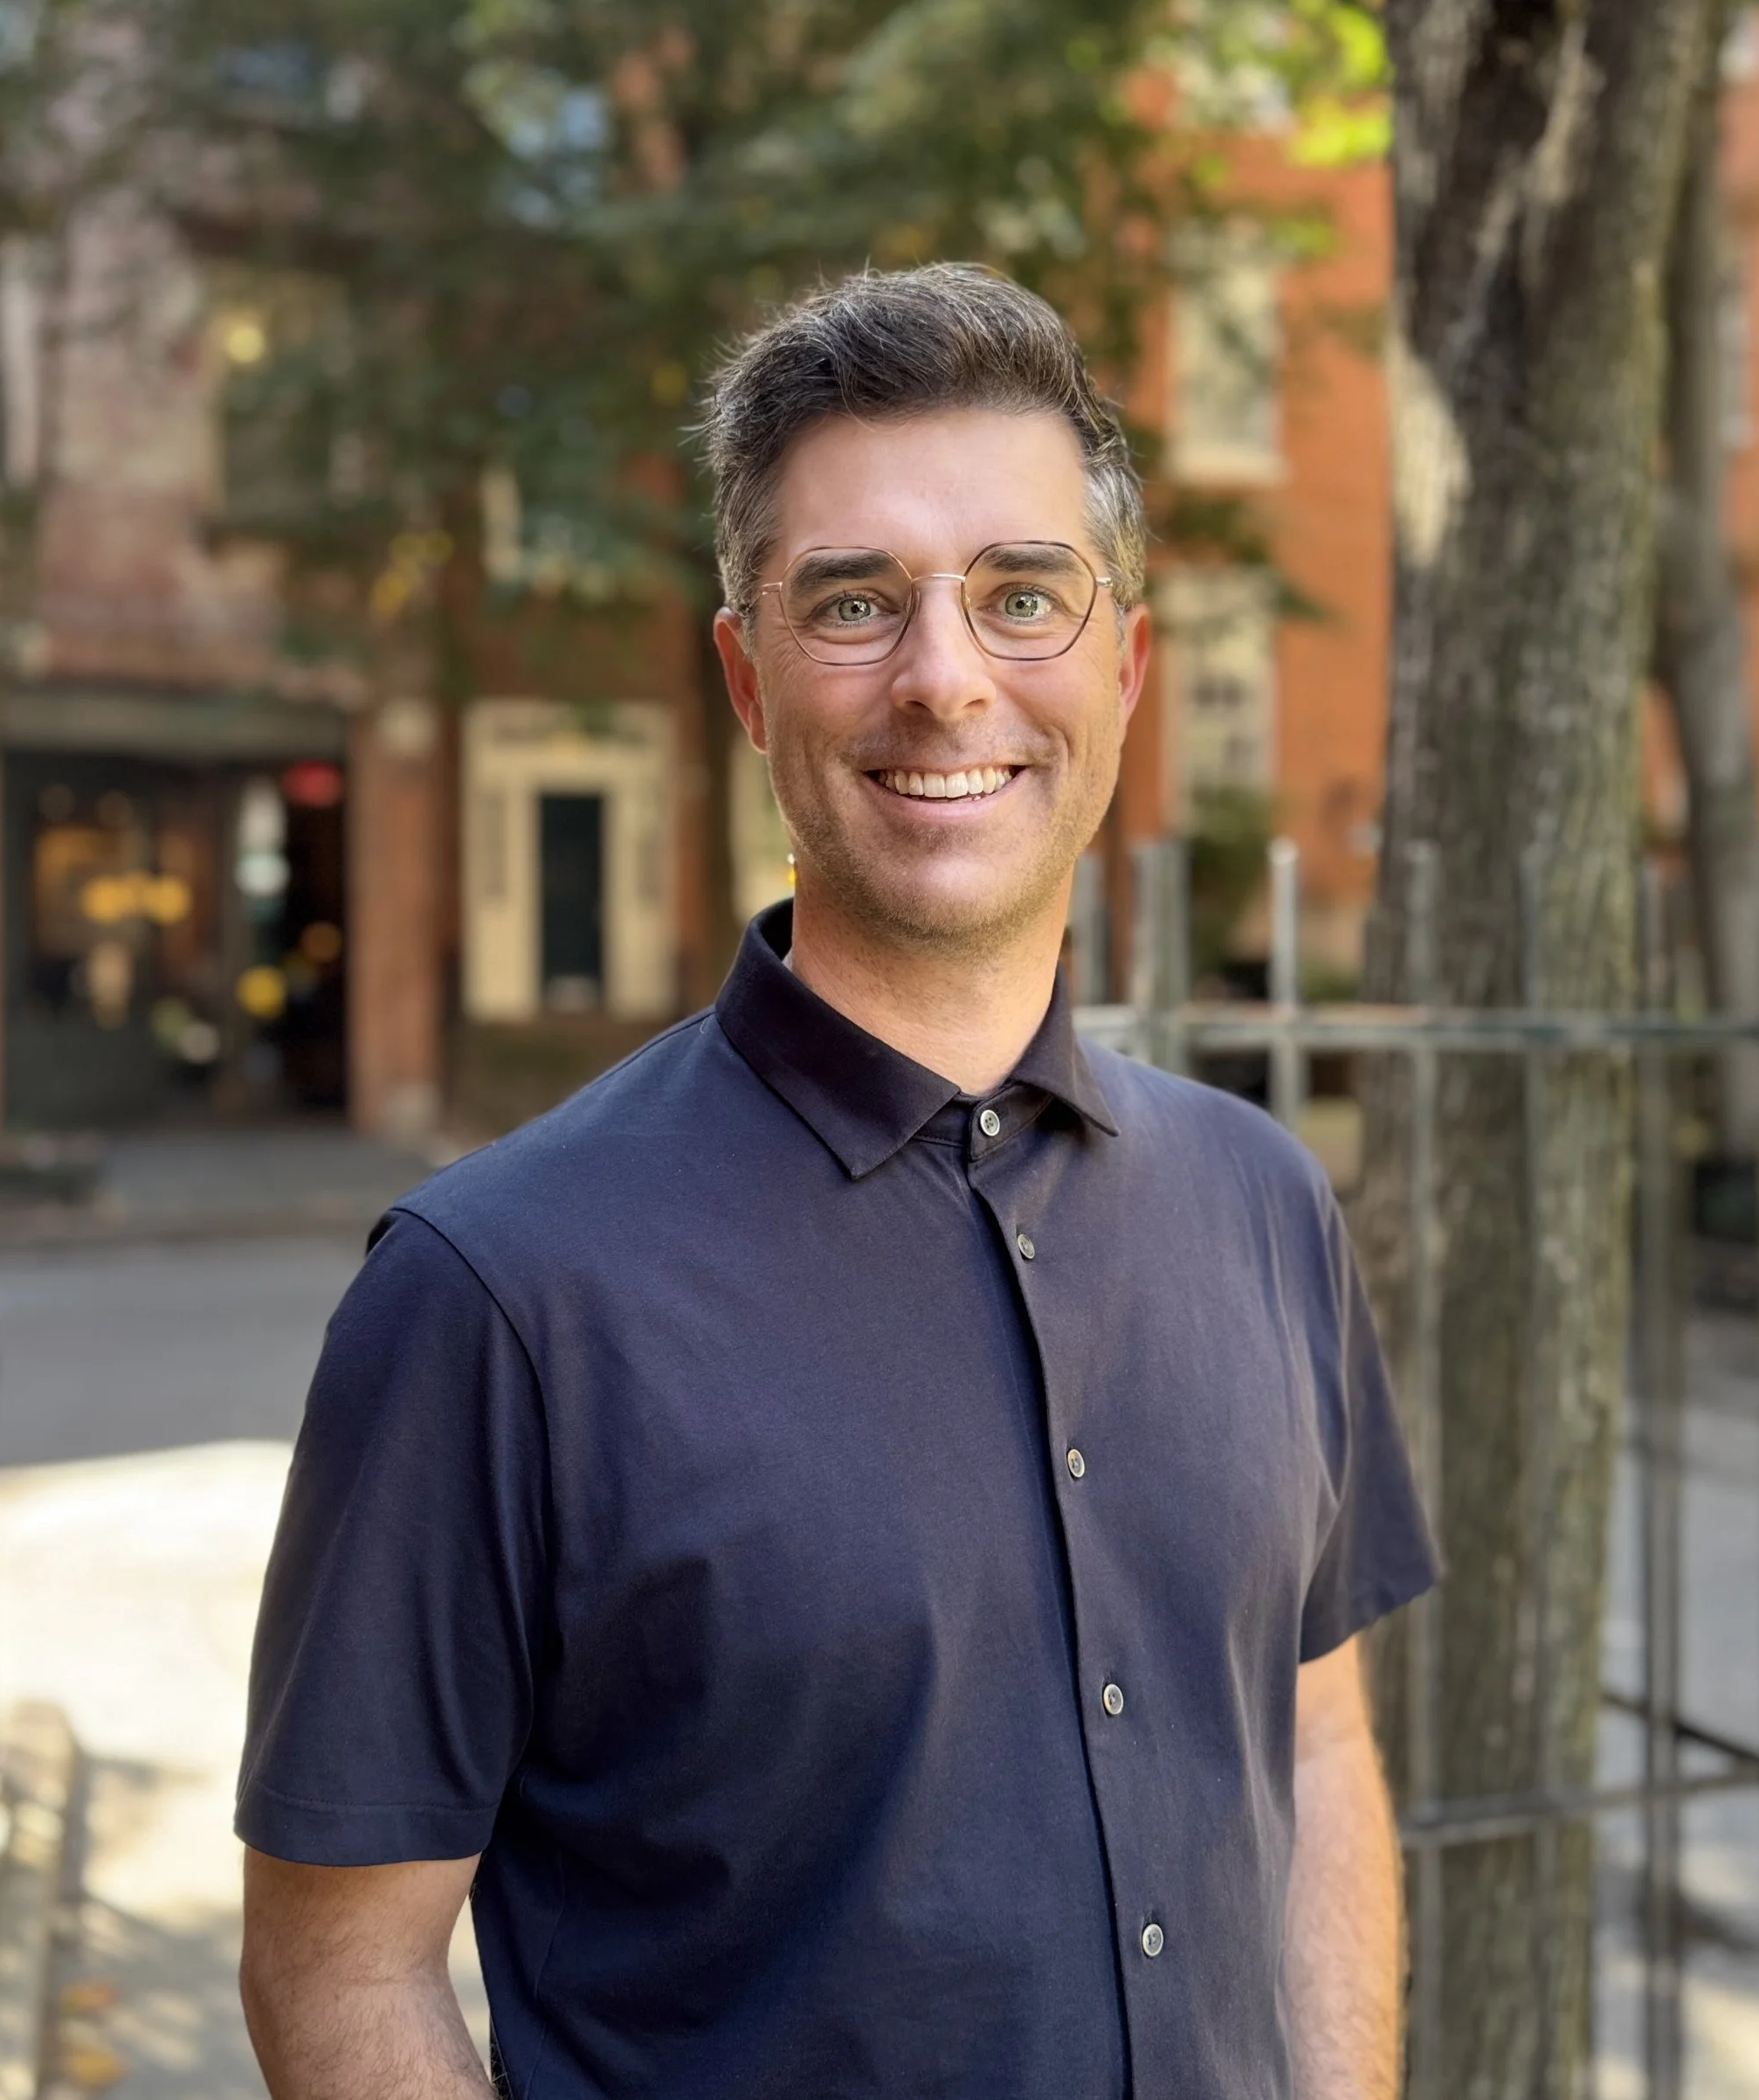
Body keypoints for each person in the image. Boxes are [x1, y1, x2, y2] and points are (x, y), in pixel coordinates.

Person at [236, 264, 1438, 2100]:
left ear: (1119, 666)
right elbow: (342, 1970)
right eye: (854, 601)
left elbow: (1314, 1737)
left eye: (1019, 593)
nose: (944, 674)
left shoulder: (1265, 1201)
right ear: (746, 676)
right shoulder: (494, 1292)